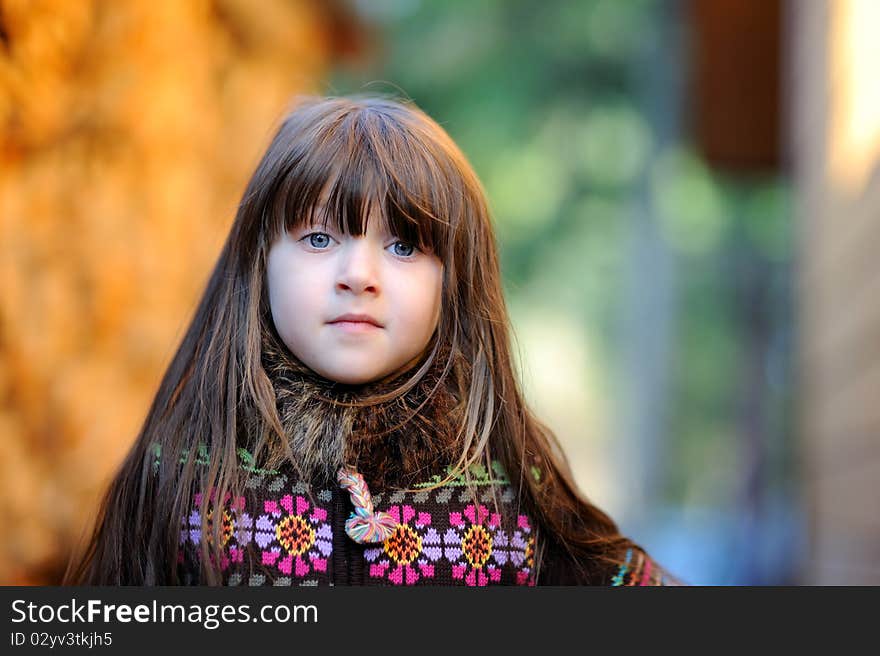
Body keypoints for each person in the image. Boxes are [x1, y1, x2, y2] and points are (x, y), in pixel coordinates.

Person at [65, 94, 680, 586]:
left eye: (404, 246)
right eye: (318, 239)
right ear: (259, 265)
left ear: (455, 285)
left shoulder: (511, 481)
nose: (358, 276)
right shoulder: (181, 479)